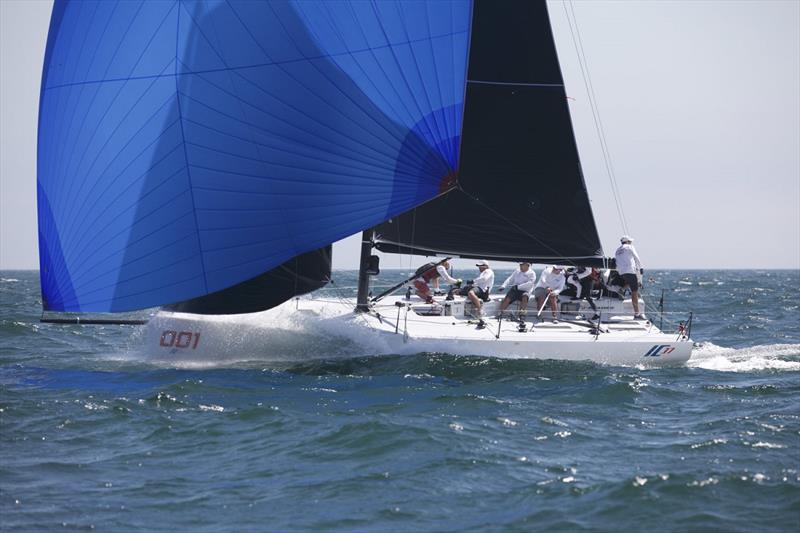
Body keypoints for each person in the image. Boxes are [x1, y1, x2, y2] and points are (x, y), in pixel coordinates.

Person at [614, 235, 645, 320]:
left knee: (631, 282)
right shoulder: (630, 247)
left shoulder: (617, 250)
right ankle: (637, 314)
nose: (631, 243)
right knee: (634, 292)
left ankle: (622, 289)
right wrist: (641, 268)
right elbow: (637, 258)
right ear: (627, 242)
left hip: (622, 273)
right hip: (630, 271)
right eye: (630, 241)